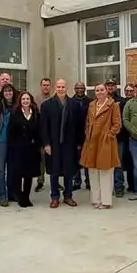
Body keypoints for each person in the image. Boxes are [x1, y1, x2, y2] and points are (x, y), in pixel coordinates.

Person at [40, 78, 84, 208]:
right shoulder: (47, 105)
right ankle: (54, 197)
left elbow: (79, 126)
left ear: (66, 88)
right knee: (54, 171)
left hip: (69, 144)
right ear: (55, 88)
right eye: (58, 87)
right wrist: (46, 144)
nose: (60, 89)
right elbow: (43, 126)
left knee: (69, 171)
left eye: (63, 87)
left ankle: (68, 196)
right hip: (53, 144)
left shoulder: (74, 105)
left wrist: (79, 143)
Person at [80, 83, 122, 209]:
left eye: (102, 90)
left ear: (106, 91)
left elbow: (117, 124)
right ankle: (95, 199)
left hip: (105, 142)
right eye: (97, 90)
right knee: (92, 171)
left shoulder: (113, 105)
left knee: (105, 172)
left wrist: (109, 135)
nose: (100, 92)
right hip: (92, 141)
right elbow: (88, 121)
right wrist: (88, 133)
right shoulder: (92, 104)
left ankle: (106, 201)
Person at [7, 91, 41, 207]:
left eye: (27, 99)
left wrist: (37, 145)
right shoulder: (14, 113)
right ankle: (20, 197)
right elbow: (10, 132)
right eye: (23, 99)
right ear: (20, 101)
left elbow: (38, 132)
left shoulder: (36, 113)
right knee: (17, 174)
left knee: (28, 174)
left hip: (31, 149)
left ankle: (26, 197)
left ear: (30, 101)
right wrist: (13, 146)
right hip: (18, 148)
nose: (25, 101)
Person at [0, 83, 19, 206]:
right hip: (1, 140)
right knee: (0, 169)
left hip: (13, 141)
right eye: (5, 91)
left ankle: (11, 193)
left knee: (12, 168)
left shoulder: (16, 106)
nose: (8, 93)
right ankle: (1, 194)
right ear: (2, 93)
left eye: (10, 91)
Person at [105, 78, 130, 198]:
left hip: (119, 138)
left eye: (112, 85)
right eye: (108, 85)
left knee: (118, 163)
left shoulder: (122, 101)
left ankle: (119, 187)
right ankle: (107, 188)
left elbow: (125, 119)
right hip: (105, 138)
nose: (110, 87)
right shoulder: (101, 100)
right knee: (106, 164)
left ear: (116, 87)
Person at [71, 81, 93, 191]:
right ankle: (77, 181)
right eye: (77, 88)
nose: (80, 90)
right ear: (74, 89)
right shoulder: (70, 101)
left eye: (82, 88)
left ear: (84, 89)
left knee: (87, 160)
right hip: (74, 135)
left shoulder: (90, 101)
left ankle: (89, 181)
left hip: (87, 135)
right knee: (75, 159)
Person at [35, 78, 53, 193]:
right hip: (40, 132)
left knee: (52, 157)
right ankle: (40, 181)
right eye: (44, 85)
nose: (46, 87)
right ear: (41, 86)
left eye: (47, 85)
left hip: (52, 132)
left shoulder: (53, 99)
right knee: (40, 158)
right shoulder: (36, 99)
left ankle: (53, 180)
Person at [121, 83, 136, 192]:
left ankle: (134, 185)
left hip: (135, 137)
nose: (129, 93)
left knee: (135, 162)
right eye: (127, 91)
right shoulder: (121, 103)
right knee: (123, 162)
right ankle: (122, 185)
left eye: (131, 91)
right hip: (123, 137)